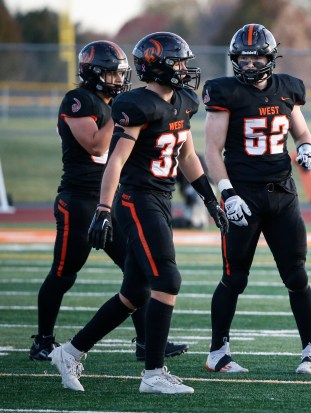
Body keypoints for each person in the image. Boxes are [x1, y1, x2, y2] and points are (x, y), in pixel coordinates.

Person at [49, 32, 228, 394]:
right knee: (168, 279)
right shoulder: (136, 105)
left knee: (135, 292)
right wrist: (103, 209)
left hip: (161, 199)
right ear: (158, 66)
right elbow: (115, 161)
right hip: (137, 199)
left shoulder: (183, 101)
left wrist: (210, 199)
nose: (184, 69)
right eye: (177, 62)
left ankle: (69, 352)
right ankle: (153, 373)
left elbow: (187, 156)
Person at [28, 40, 188, 363]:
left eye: (122, 74)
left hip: (111, 200)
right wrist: (125, 114)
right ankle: (43, 341)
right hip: (80, 199)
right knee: (63, 273)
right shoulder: (78, 100)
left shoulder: (119, 102)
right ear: (95, 74)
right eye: (113, 75)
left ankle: (147, 343)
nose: (119, 81)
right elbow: (97, 146)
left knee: (139, 271)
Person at [202, 23, 311, 375]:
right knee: (235, 277)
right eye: (244, 57)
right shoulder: (225, 92)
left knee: (297, 275)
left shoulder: (287, 89)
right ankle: (218, 352)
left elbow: (300, 130)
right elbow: (211, 150)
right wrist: (227, 193)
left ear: (270, 58)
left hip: (282, 194)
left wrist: (307, 147)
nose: (250, 64)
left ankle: (309, 352)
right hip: (243, 193)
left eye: (257, 57)